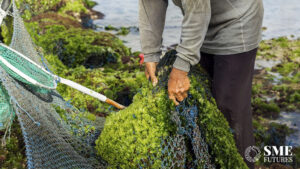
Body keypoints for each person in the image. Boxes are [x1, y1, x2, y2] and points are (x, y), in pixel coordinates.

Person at [139, 0, 264, 168]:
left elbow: (198, 10)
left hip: (236, 20)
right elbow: (151, 3)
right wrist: (151, 52)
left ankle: (243, 164)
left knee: (229, 108)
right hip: (199, 25)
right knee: (200, 106)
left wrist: (181, 69)